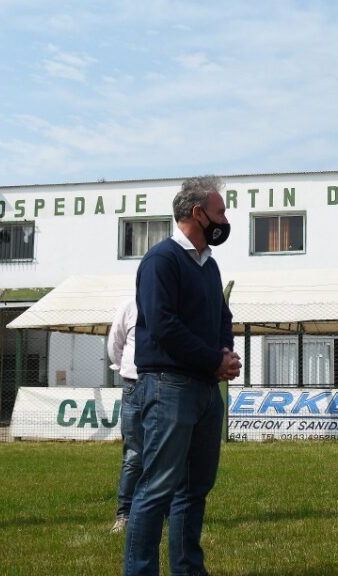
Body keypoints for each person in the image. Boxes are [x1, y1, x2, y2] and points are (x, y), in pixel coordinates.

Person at [124, 176, 241, 576]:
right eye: (220, 211)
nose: (225, 219)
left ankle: (188, 569)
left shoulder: (208, 265)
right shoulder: (162, 260)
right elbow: (163, 326)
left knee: (194, 491)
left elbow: (222, 316)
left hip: (206, 390)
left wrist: (224, 354)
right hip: (170, 387)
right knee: (157, 489)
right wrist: (213, 360)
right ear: (198, 213)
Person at [107, 296, 140, 534]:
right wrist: (127, 369)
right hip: (134, 384)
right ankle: (124, 515)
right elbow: (114, 345)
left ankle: (169, 512)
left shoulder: (175, 301)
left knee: (168, 453)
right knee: (134, 454)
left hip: (166, 385)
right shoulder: (129, 306)